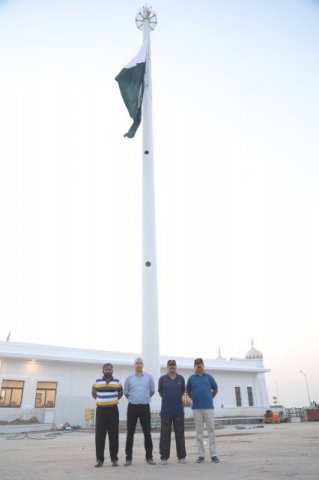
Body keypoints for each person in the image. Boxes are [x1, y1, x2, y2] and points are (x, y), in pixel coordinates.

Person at [186, 357, 220, 464]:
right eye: (196, 366)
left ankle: (214, 455)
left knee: (211, 431)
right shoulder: (191, 378)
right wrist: (194, 399)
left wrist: (209, 398)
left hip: (208, 407)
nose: (198, 368)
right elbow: (188, 391)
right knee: (199, 432)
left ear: (203, 366)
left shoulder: (209, 377)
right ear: (194, 367)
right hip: (196, 408)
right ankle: (201, 455)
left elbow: (215, 389)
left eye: (200, 366)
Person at [123, 357, 156, 466]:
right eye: (137, 363)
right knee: (130, 434)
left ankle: (149, 457)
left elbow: (152, 391)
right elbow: (126, 393)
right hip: (132, 407)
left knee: (147, 433)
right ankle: (128, 458)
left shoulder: (149, 378)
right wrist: (135, 400)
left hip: (145, 407)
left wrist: (143, 399)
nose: (139, 365)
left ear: (143, 365)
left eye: (140, 363)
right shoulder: (129, 378)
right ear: (134, 365)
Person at [91, 363, 123, 468]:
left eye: (110, 369)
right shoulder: (97, 381)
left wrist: (112, 400)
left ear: (112, 370)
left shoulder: (117, 382)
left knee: (114, 436)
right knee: (100, 436)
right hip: (101, 411)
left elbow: (120, 393)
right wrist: (101, 401)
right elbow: (93, 393)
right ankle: (100, 460)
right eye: (106, 369)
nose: (108, 370)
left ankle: (114, 459)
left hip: (113, 411)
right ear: (103, 370)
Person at [158, 359, 187, 464]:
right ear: (167, 367)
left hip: (178, 411)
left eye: (173, 365)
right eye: (170, 365)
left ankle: (181, 456)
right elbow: (161, 392)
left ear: (176, 367)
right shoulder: (162, 379)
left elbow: (183, 390)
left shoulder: (181, 378)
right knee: (165, 435)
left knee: (180, 434)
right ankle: (164, 457)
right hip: (166, 411)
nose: (172, 367)